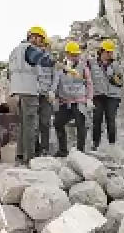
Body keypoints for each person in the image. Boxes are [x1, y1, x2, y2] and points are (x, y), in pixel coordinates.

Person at [8, 26, 56, 163]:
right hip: (29, 90)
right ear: (35, 37)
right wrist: (52, 61)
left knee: (24, 124)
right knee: (30, 125)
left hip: (18, 90)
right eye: (41, 40)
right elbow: (39, 58)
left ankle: (20, 155)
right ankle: (30, 158)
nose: (41, 43)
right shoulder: (29, 48)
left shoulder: (16, 50)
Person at [54, 41, 93, 156]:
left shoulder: (83, 67)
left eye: (77, 55)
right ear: (67, 54)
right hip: (65, 102)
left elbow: (89, 83)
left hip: (79, 101)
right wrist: (54, 94)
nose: (76, 57)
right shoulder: (61, 68)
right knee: (58, 123)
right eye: (73, 54)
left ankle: (80, 152)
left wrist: (89, 98)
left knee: (81, 125)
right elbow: (57, 82)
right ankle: (63, 150)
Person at [88, 39, 123, 147]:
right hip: (98, 95)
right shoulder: (92, 63)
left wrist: (114, 77)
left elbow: (120, 81)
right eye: (107, 52)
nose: (109, 54)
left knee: (111, 119)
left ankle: (112, 144)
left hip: (113, 96)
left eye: (111, 52)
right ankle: (95, 144)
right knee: (97, 119)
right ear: (101, 52)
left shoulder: (115, 65)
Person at [36, 37, 58, 156]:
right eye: (41, 46)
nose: (43, 48)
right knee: (34, 123)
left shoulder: (51, 61)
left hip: (47, 96)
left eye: (45, 46)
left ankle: (45, 148)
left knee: (45, 122)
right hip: (35, 94)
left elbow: (55, 77)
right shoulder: (33, 60)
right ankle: (35, 148)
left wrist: (52, 91)